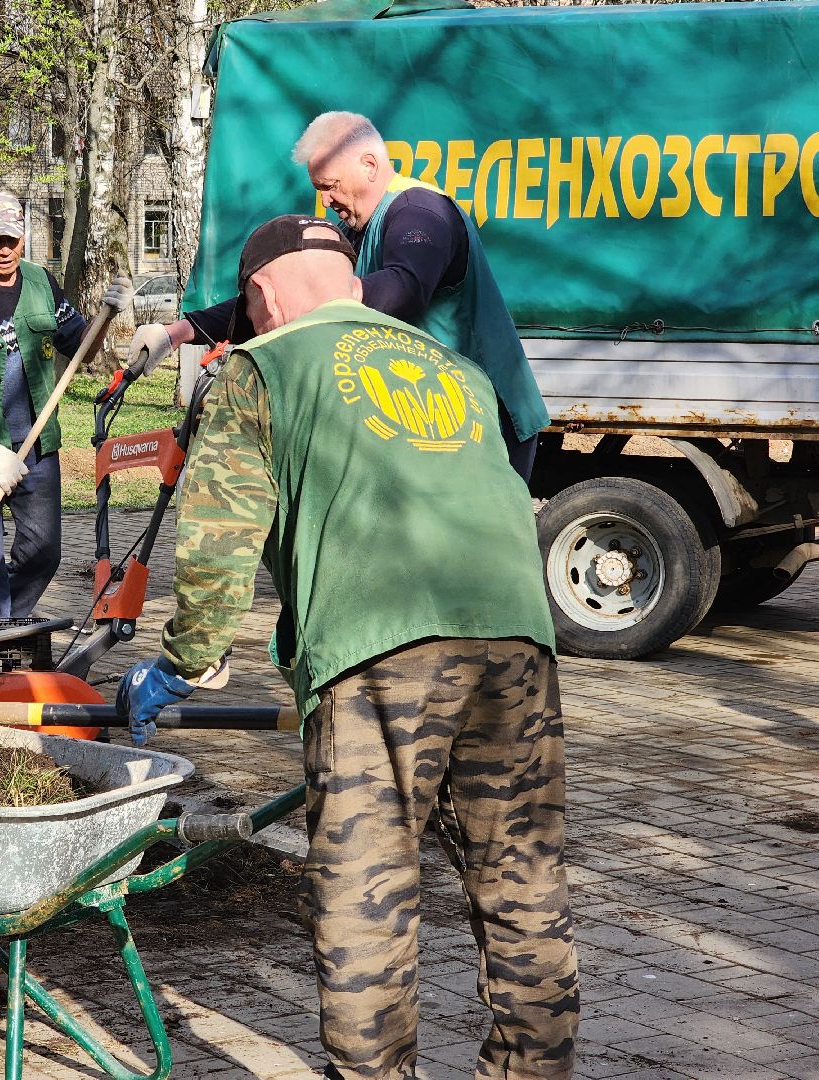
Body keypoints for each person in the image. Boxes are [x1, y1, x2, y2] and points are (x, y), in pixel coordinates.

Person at [118, 215, 579, 1079]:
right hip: (519, 641)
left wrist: (183, 662)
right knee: (522, 884)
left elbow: (218, 545)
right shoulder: (455, 369)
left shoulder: (261, 368)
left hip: (379, 648)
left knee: (369, 894)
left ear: (258, 295)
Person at [130, 111, 548, 479]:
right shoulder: (355, 232)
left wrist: (320, 294)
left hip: (486, 422)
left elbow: (406, 287)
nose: (326, 202)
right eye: (319, 189)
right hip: (431, 419)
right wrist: (176, 333)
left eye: (329, 186)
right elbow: (274, 299)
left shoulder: (420, 212)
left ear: (369, 164)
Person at [0, 190, 130, 619]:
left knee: (44, 552)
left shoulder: (41, 283)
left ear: (24, 238)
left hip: (37, 449)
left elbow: (81, 350)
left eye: (12, 239)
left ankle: (1, 626)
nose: (4, 250)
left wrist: (107, 316)